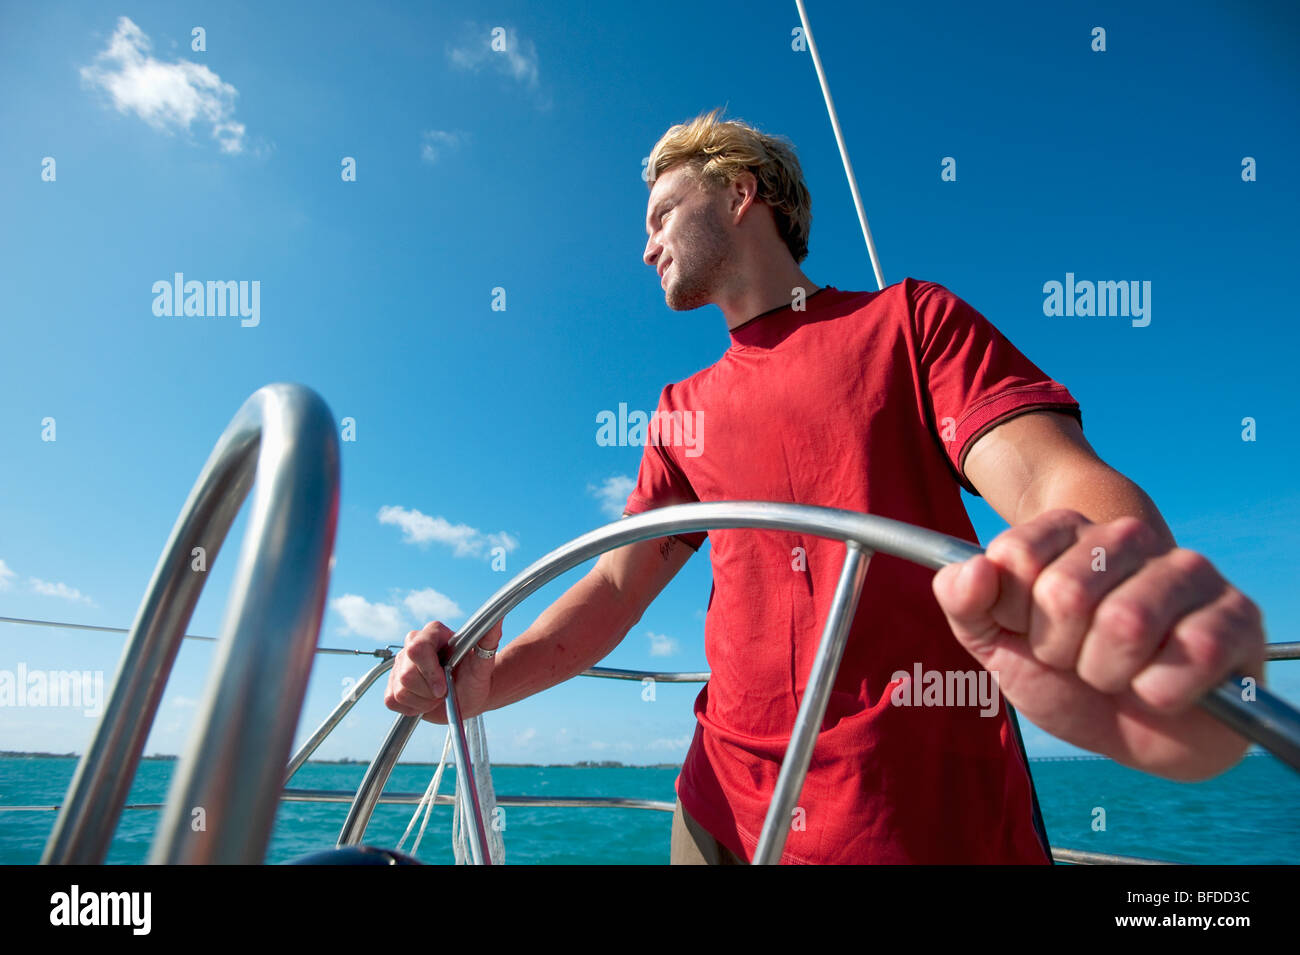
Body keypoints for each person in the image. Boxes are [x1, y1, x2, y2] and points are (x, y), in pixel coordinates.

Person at [386, 108, 1266, 864]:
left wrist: (1121, 587)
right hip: (717, 808)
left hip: (914, 820)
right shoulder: (677, 409)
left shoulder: (910, 324)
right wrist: (477, 686)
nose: (644, 243)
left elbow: (1048, 479)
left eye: (662, 213)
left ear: (740, 193)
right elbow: (619, 584)